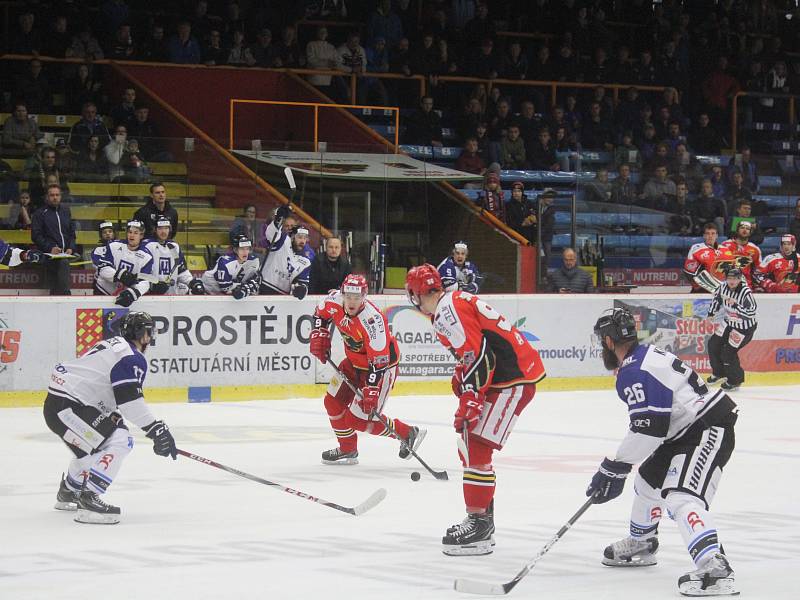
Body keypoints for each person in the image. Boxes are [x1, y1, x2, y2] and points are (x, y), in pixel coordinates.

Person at [588, 308, 739, 597]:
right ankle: (642, 542)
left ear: (608, 342)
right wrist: (618, 467)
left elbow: (650, 429)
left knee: (681, 496)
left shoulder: (634, 370)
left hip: (707, 426)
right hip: (684, 429)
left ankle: (715, 567)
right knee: (648, 481)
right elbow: (654, 426)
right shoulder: (644, 356)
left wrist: (614, 466)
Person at [405, 264, 546, 556]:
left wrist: (471, 396)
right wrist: (463, 376)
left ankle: (479, 523)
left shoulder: (447, 311)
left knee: (477, 445)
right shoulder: (452, 302)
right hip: (505, 376)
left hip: (513, 378)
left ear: (415, 294)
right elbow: (475, 351)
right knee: (469, 445)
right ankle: (484, 520)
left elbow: (481, 356)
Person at [43, 311, 177, 524]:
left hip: (60, 406)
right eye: (149, 332)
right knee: (120, 440)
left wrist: (112, 415)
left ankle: (70, 490)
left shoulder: (113, 346)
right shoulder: (130, 357)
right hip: (69, 408)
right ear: (141, 333)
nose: (151, 337)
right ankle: (89, 498)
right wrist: (156, 429)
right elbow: (130, 402)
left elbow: (98, 387)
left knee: (95, 445)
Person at [309, 274, 425, 465]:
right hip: (354, 362)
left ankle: (407, 433)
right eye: (348, 296)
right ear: (342, 293)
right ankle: (347, 448)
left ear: (364, 296)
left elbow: (379, 361)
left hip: (381, 369)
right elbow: (320, 314)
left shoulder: (373, 321)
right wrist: (319, 333)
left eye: (357, 297)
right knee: (332, 402)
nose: (352, 302)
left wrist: (371, 389)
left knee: (358, 420)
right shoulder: (334, 300)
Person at [707, 268, 758, 392]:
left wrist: (736, 305)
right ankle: (719, 373)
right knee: (713, 344)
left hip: (743, 328)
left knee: (728, 352)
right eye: (729, 278)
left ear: (739, 279)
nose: (731, 281)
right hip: (729, 322)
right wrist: (711, 313)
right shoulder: (723, 287)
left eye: (734, 279)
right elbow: (717, 299)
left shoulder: (746, 292)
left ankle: (735, 381)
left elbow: (751, 312)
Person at [91, 220, 155, 307]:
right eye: (129, 232)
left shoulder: (147, 257)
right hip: (103, 291)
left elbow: (145, 281)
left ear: (141, 235)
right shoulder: (113, 246)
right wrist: (120, 275)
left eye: (136, 233)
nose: (132, 235)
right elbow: (102, 268)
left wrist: (132, 294)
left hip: (124, 296)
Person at [259, 205, 312, 298]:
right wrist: (278, 219)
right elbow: (271, 235)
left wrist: (300, 289)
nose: (303, 241)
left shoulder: (306, 261)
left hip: (283, 297)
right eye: (299, 237)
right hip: (264, 287)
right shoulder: (283, 240)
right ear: (292, 237)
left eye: (305, 238)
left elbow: (302, 282)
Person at [31, 185, 76, 295]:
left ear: (60, 196)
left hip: (66, 254)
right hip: (48, 255)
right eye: (52, 195)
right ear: (47, 197)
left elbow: (72, 233)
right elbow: (36, 236)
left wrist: (71, 247)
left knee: (64, 263)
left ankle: (56, 295)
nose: (55, 197)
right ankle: (66, 295)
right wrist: (50, 248)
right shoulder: (40, 213)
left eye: (57, 195)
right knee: (63, 263)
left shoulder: (66, 211)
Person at [194, 234, 261, 298]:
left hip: (229, 288)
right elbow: (226, 289)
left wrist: (247, 288)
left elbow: (257, 280)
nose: (245, 252)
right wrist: (246, 288)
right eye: (242, 249)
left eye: (247, 249)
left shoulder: (254, 261)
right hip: (210, 287)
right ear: (235, 250)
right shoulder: (225, 263)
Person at [143, 219, 194, 295]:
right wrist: (151, 285)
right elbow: (140, 271)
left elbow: (181, 271)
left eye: (166, 228)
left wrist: (192, 282)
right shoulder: (147, 245)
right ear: (155, 230)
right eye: (160, 228)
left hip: (171, 297)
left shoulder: (174, 247)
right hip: (150, 297)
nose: (163, 231)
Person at [684, 223, 726, 293]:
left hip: (720, 291)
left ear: (717, 236)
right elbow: (688, 272)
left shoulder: (725, 250)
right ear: (704, 236)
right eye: (707, 233)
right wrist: (697, 287)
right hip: (701, 290)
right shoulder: (696, 249)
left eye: (713, 233)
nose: (710, 236)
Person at [719, 221, 762, 287]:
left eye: (747, 229)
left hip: (747, 287)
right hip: (727, 286)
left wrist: (757, 286)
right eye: (742, 228)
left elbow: (758, 272)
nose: (745, 230)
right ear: (737, 230)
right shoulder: (725, 245)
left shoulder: (755, 249)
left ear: (750, 232)